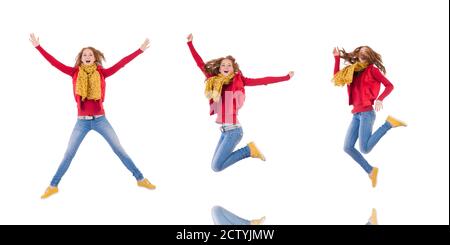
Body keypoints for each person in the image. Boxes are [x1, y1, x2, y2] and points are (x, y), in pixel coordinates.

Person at [30, 33, 156, 199]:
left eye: (90, 54)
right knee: (68, 154)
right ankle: (53, 186)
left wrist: (139, 51)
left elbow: (121, 64)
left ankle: (140, 179)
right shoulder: (74, 72)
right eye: (85, 55)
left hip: (100, 120)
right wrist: (38, 47)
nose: (87, 56)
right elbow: (54, 63)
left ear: (95, 58)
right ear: (81, 59)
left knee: (119, 150)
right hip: (81, 122)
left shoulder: (102, 73)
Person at [187, 33, 294, 172]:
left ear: (233, 68)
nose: (226, 66)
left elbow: (263, 80)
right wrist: (190, 44)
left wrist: (286, 77)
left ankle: (249, 150)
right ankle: (249, 150)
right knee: (214, 165)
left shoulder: (239, 80)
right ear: (219, 68)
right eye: (223, 65)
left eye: (229, 65)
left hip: (234, 131)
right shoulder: (214, 81)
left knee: (216, 167)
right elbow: (200, 64)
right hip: (225, 131)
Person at [332, 46, 407, 188]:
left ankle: (388, 124)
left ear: (370, 55)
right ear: (358, 54)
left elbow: (389, 86)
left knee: (365, 149)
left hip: (367, 113)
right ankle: (371, 171)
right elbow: (336, 76)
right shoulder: (353, 70)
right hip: (356, 114)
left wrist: (380, 98)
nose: (363, 54)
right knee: (347, 147)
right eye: (361, 52)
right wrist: (336, 58)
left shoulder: (372, 70)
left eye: (366, 53)